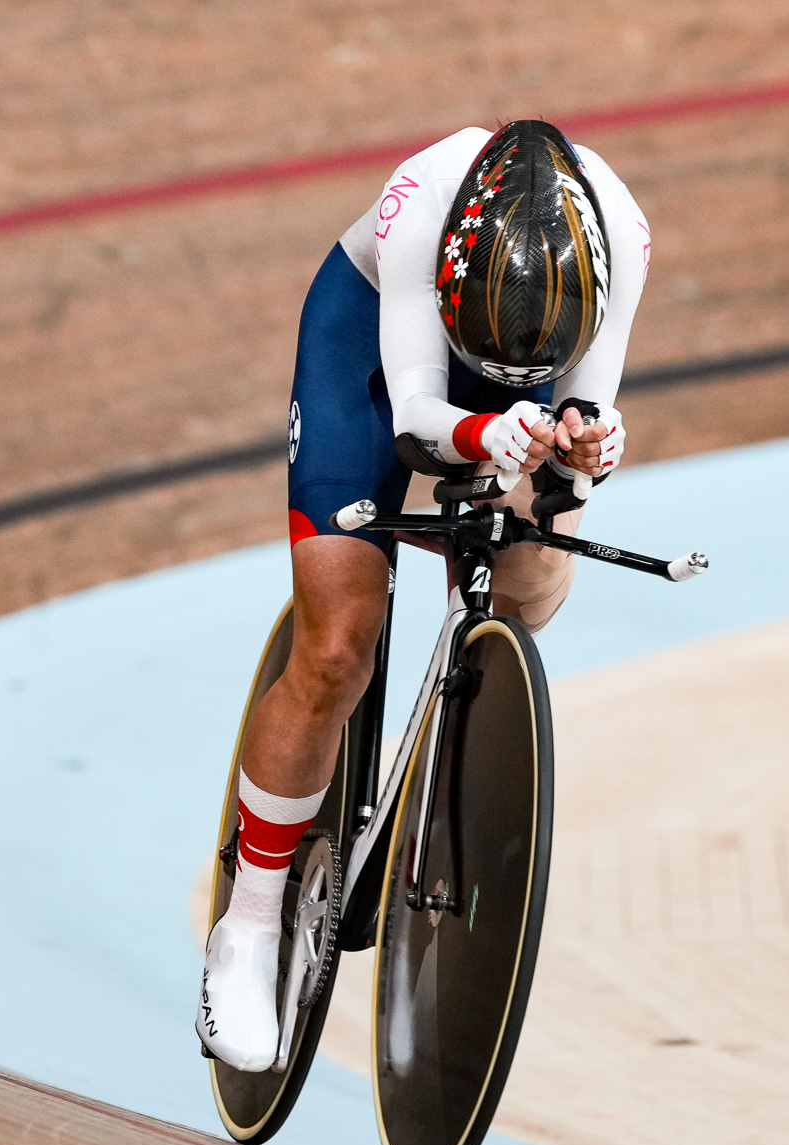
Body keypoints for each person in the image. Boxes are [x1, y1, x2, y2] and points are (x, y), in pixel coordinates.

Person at [198, 119, 651, 1070]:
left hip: (516, 366)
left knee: (526, 599)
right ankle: (248, 919)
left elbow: (587, 424)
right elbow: (414, 423)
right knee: (339, 645)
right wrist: (490, 437)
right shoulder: (420, 202)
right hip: (376, 350)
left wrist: (585, 447)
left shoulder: (623, 231)